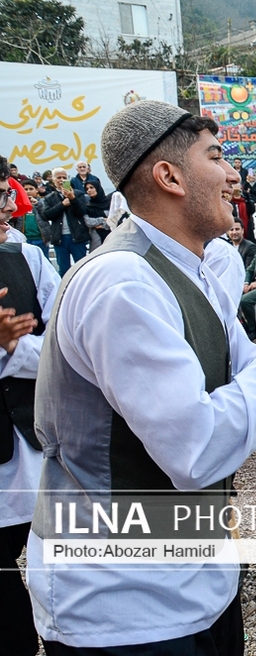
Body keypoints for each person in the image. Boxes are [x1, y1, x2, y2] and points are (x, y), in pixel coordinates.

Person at [27, 100, 256, 654]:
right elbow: (195, 449)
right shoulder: (123, 283)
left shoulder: (197, 271)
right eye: (215, 156)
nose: (235, 174)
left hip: (195, 581)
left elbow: (246, 373)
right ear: (168, 176)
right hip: (124, 601)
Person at [0, 156, 60, 656]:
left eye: (6, 196)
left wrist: (13, 350)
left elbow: (63, 346)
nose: (5, 211)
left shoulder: (29, 259)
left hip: (33, 442)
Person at [37, 167, 89, 275]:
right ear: (53, 180)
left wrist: (73, 199)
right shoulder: (49, 197)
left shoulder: (78, 194)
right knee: (63, 269)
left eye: (64, 177)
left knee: (82, 268)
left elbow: (82, 211)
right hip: (59, 238)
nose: (61, 180)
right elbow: (47, 215)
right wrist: (62, 205)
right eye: (59, 177)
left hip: (77, 236)